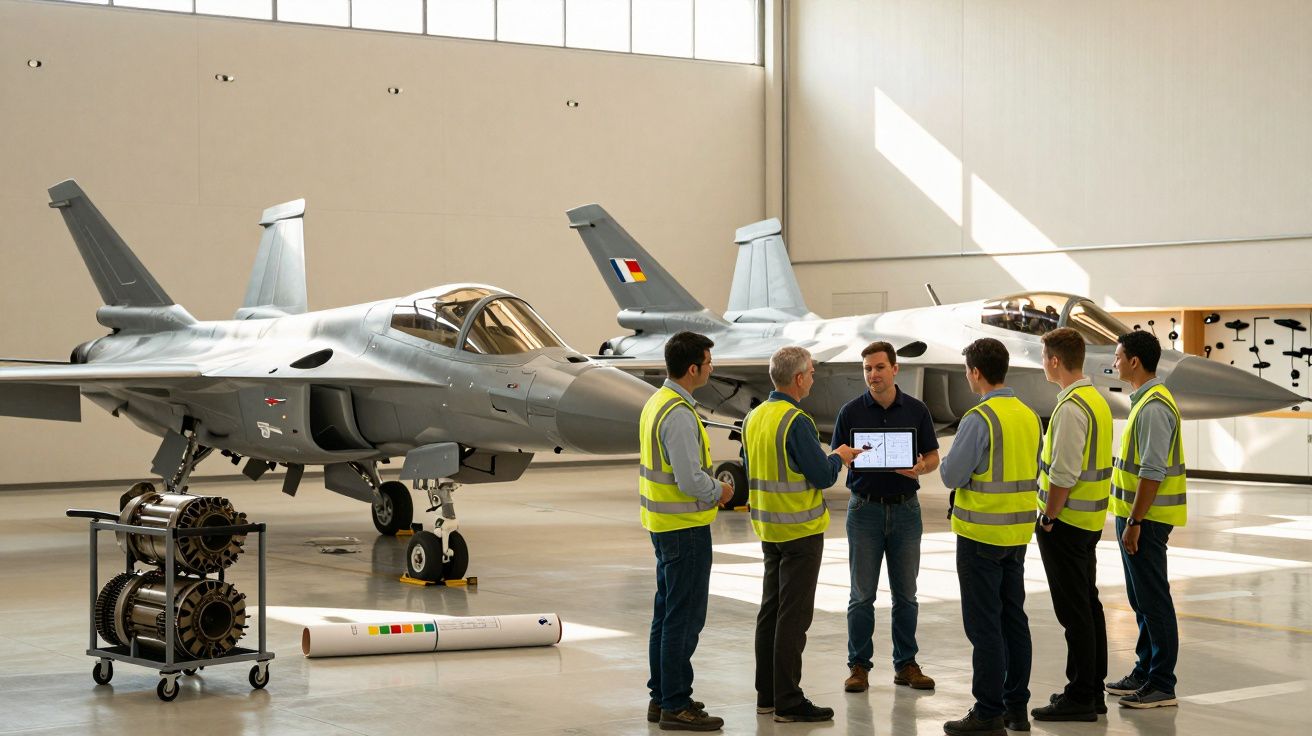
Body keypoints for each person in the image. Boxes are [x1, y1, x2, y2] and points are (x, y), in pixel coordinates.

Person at [742, 346, 860, 723]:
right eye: (810, 373)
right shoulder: (796, 420)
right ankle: (789, 701)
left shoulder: (754, 417)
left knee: (771, 612)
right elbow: (822, 475)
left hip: (769, 527)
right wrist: (839, 456)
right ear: (797, 378)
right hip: (800, 530)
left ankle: (767, 695)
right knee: (793, 618)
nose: (812, 378)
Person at [938, 338, 1041, 736]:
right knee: (1014, 621)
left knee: (985, 628)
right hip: (1016, 535)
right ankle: (1016, 709)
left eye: (967, 370)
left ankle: (987, 712)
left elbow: (951, 475)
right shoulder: (1028, 416)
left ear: (976, 372)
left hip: (980, 536)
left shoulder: (979, 418)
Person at [639, 331, 735, 732]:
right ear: (693, 368)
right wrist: (721, 491)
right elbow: (689, 479)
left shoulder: (657, 402)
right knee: (684, 618)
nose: (712, 369)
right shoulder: (678, 413)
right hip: (685, 529)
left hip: (665, 526)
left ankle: (662, 696)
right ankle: (676, 705)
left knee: (666, 615)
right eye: (709, 363)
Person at [832, 341, 940, 694]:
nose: (873, 374)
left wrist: (921, 467)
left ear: (895, 369)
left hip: (906, 509)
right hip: (864, 509)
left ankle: (906, 664)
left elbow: (933, 456)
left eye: (879, 367)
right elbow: (837, 454)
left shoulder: (917, 410)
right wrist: (846, 457)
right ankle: (858, 666)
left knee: (906, 594)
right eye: (867, 369)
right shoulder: (849, 412)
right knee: (861, 595)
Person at [1030, 328, 1112, 722]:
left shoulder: (1070, 408)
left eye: (1043, 357)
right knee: (1088, 605)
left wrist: (1048, 516)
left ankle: (1080, 696)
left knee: (1074, 611)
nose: (1042, 363)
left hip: (1065, 524)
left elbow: (1063, 474)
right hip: (1089, 520)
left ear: (1055, 360)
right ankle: (1092, 690)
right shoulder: (1095, 400)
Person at [1105, 330, 1186, 710]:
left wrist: (1136, 522)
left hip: (1146, 521)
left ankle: (1161, 683)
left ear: (1134, 361)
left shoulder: (1153, 407)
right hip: (1135, 517)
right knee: (1140, 599)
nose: (1115, 362)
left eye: (1118, 356)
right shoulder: (1144, 402)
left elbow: (1152, 472)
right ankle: (1144, 670)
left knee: (1154, 600)